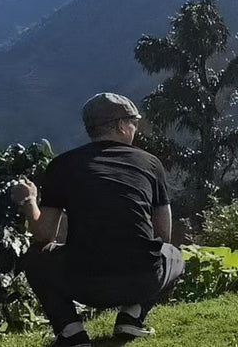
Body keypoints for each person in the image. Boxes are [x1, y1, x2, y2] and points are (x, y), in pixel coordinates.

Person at [10, 93, 185, 347]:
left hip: (85, 284)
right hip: (142, 279)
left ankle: (71, 332)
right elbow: (163, 235)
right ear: (122, 126)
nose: (136, 127)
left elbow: (44, 235)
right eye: (133, 122)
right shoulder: (151, 164)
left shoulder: (62, 166)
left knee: (36, 257)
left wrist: (29, 201)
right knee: (174, 255)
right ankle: (132, 314)